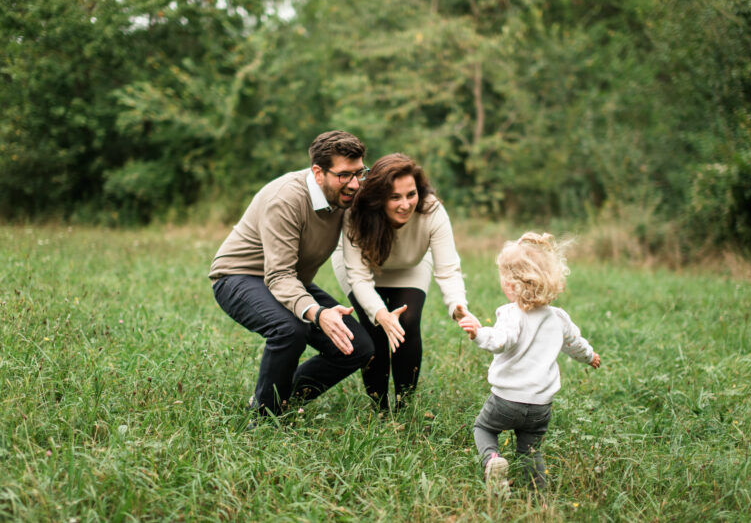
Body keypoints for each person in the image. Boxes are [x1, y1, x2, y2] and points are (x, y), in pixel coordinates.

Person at [209, 131, 375, 418]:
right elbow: (279, 275)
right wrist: (318, 313)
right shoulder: (286, 200)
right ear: (317, 172)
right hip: (238, 276)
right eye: (344, 175)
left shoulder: (346, 195)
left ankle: (279, 400)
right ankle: (263, 417)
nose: (354, 183)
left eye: (359, 173)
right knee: (290, 330)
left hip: (291, 282)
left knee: (358, 347)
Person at [458, 232, 602, 491]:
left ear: (513, 285)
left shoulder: (511, 314)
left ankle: (492, 461)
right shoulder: (558, 317)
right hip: (540, 406)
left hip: (506, 400)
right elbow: (575, 344)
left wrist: (478, 333)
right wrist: (590, 356)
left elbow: (502, 340)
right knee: (530, 450)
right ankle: (538, 496)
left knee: (483, 428)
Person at [331, 152, 474, 411]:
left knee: (406, 323)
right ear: (378, 198)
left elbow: (448, 268)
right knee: (375, 328)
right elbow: (360, 278)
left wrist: (457, 305)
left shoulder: (431, 210)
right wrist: (380, 313)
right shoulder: (356, 214)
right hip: (361, 269)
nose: (405, 204)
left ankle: (403, 405)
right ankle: (379, 407)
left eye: (410, 194)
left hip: (410, 264)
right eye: (394, 197)